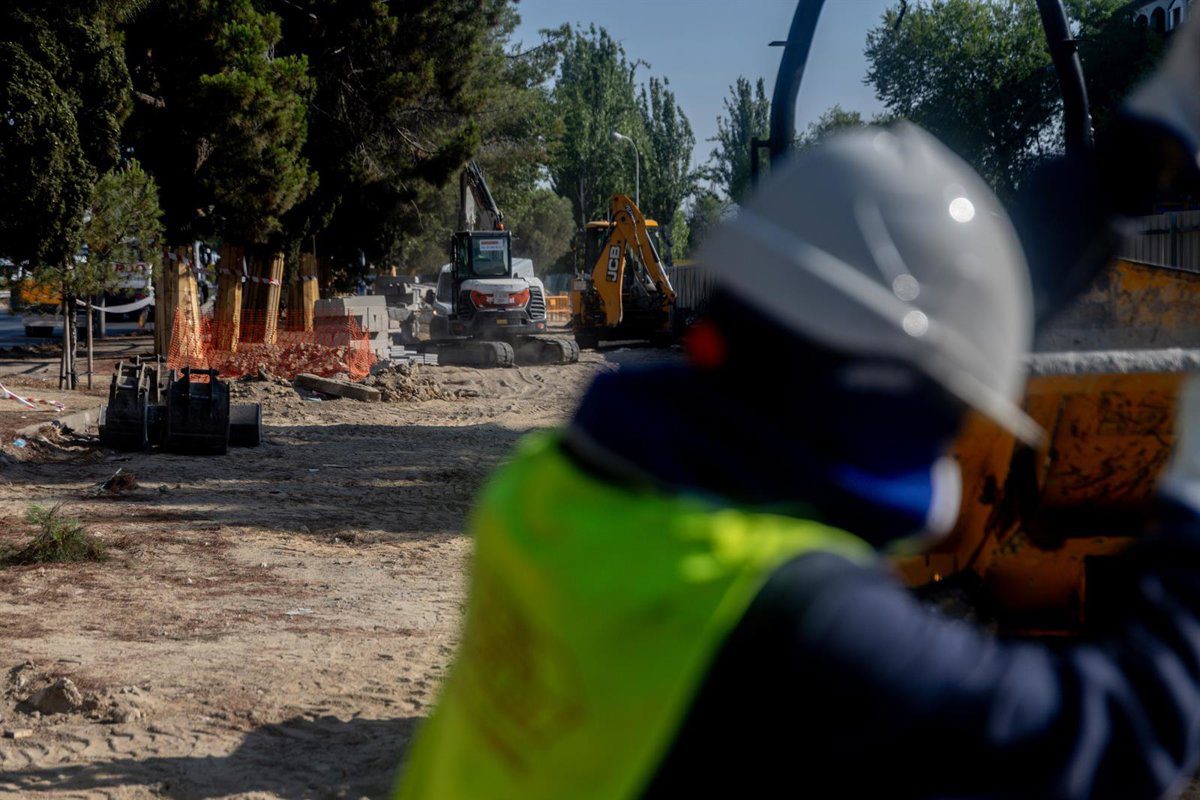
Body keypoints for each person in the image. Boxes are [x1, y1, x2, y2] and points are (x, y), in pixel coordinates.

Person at [396, 21, 1200, 800]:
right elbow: (1129, 734)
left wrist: (1150, 141)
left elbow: (911, 309)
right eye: (946, 408)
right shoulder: (799, 626)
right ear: (887, 407)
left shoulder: (558, 485)